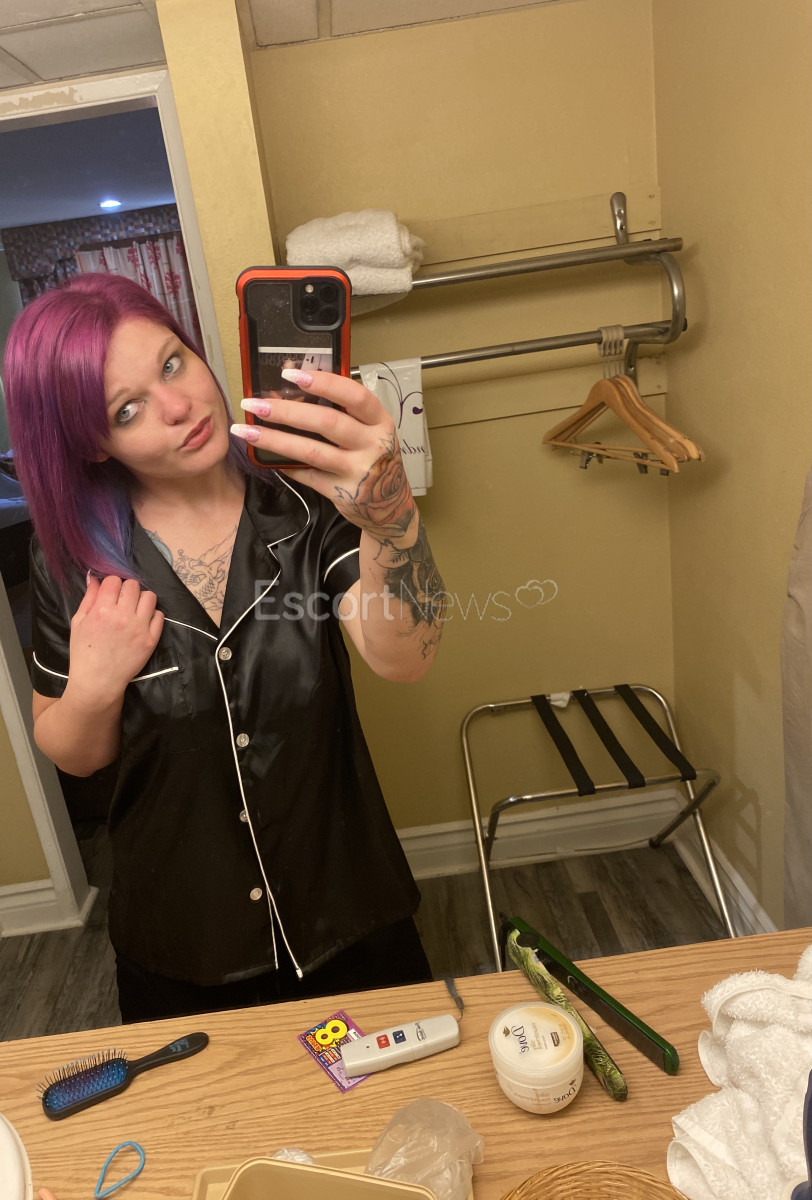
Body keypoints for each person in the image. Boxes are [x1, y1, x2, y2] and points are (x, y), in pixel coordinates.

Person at [3, 273, 445, 1022]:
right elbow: (74, 754)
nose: (179, 407)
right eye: (127, 409)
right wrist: (96, 685)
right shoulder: (70, 566)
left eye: (172, 363)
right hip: (183, 944)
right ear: (92, 443)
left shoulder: (305, 502)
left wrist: (390, 510)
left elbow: (406, 656)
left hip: (346, 919)